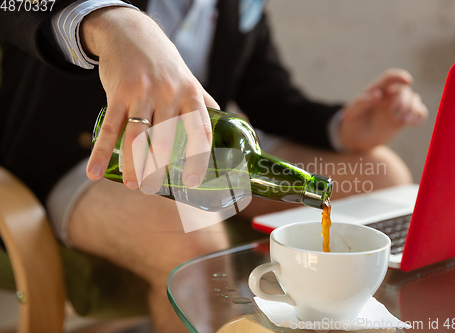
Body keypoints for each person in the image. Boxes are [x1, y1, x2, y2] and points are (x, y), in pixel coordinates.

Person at [0, 0, 428, 331]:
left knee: (383, 173)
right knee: (192, 233)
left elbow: (266, 93)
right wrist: (112, 22)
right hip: (84, 156)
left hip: (206, 149)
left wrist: (342, 127)